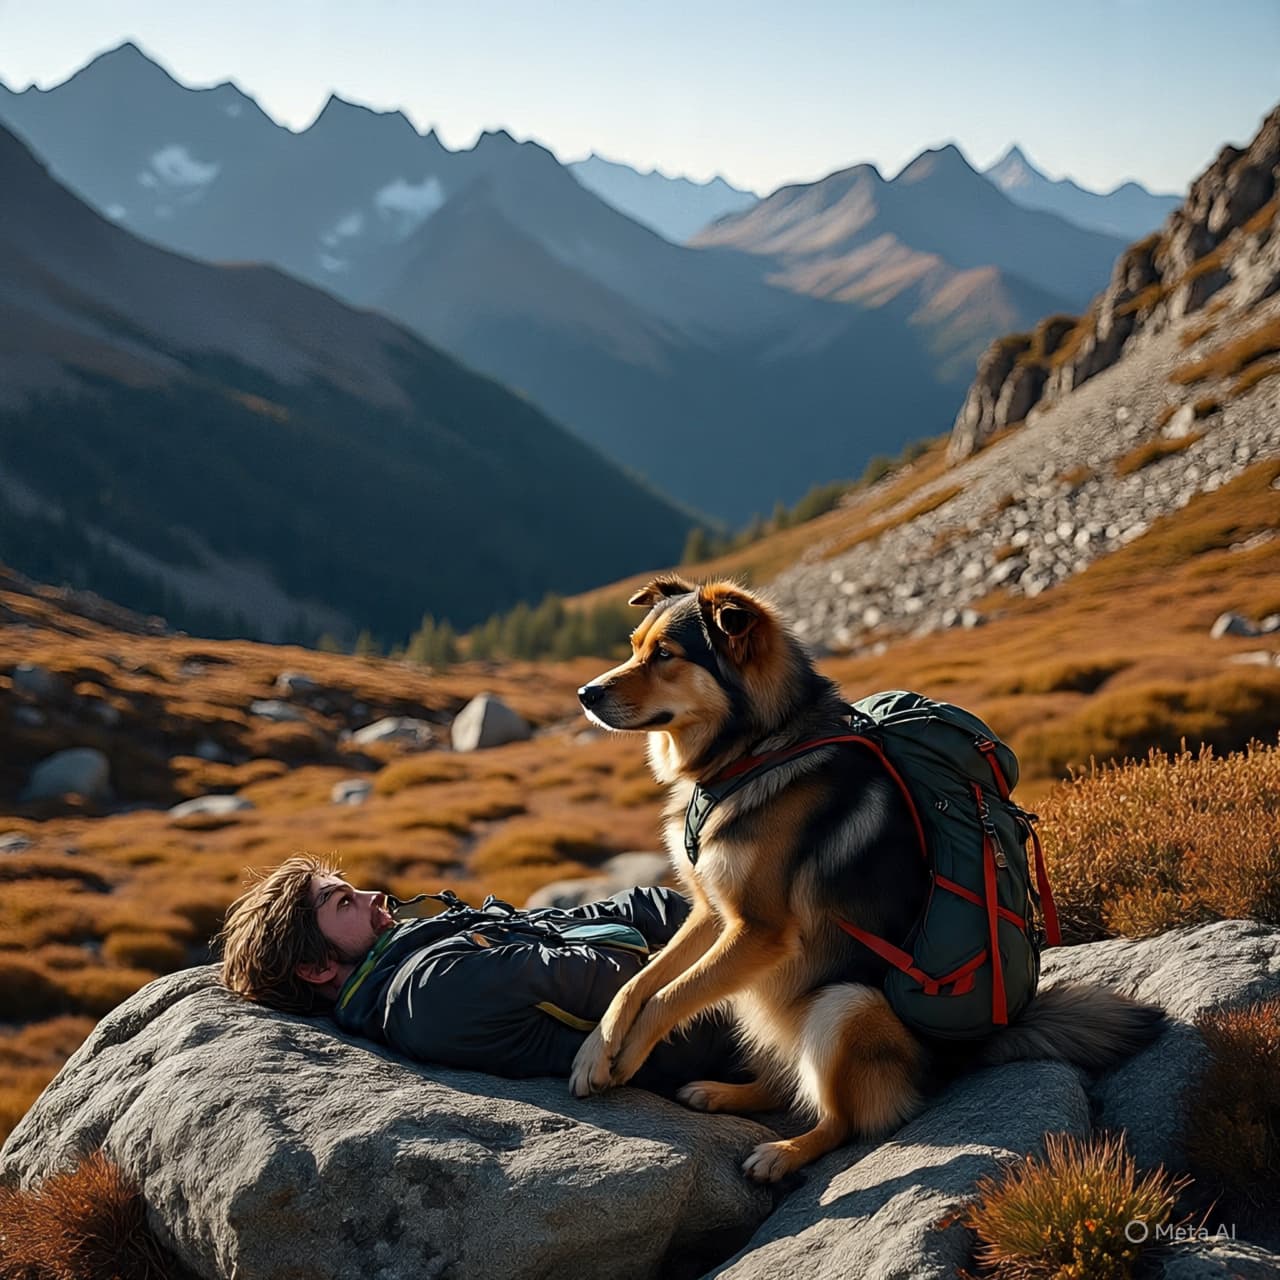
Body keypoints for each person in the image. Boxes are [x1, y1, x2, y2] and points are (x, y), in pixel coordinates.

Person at [215, 855, 739, 1092]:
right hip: (726, 1028)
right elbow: (613, 975)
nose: (374, 896)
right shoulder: (432, 990)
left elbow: (589, 917)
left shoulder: (417, 950)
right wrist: (712, 932)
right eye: (344, 902)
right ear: (316, 968)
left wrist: (688, 916)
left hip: (715, 987)